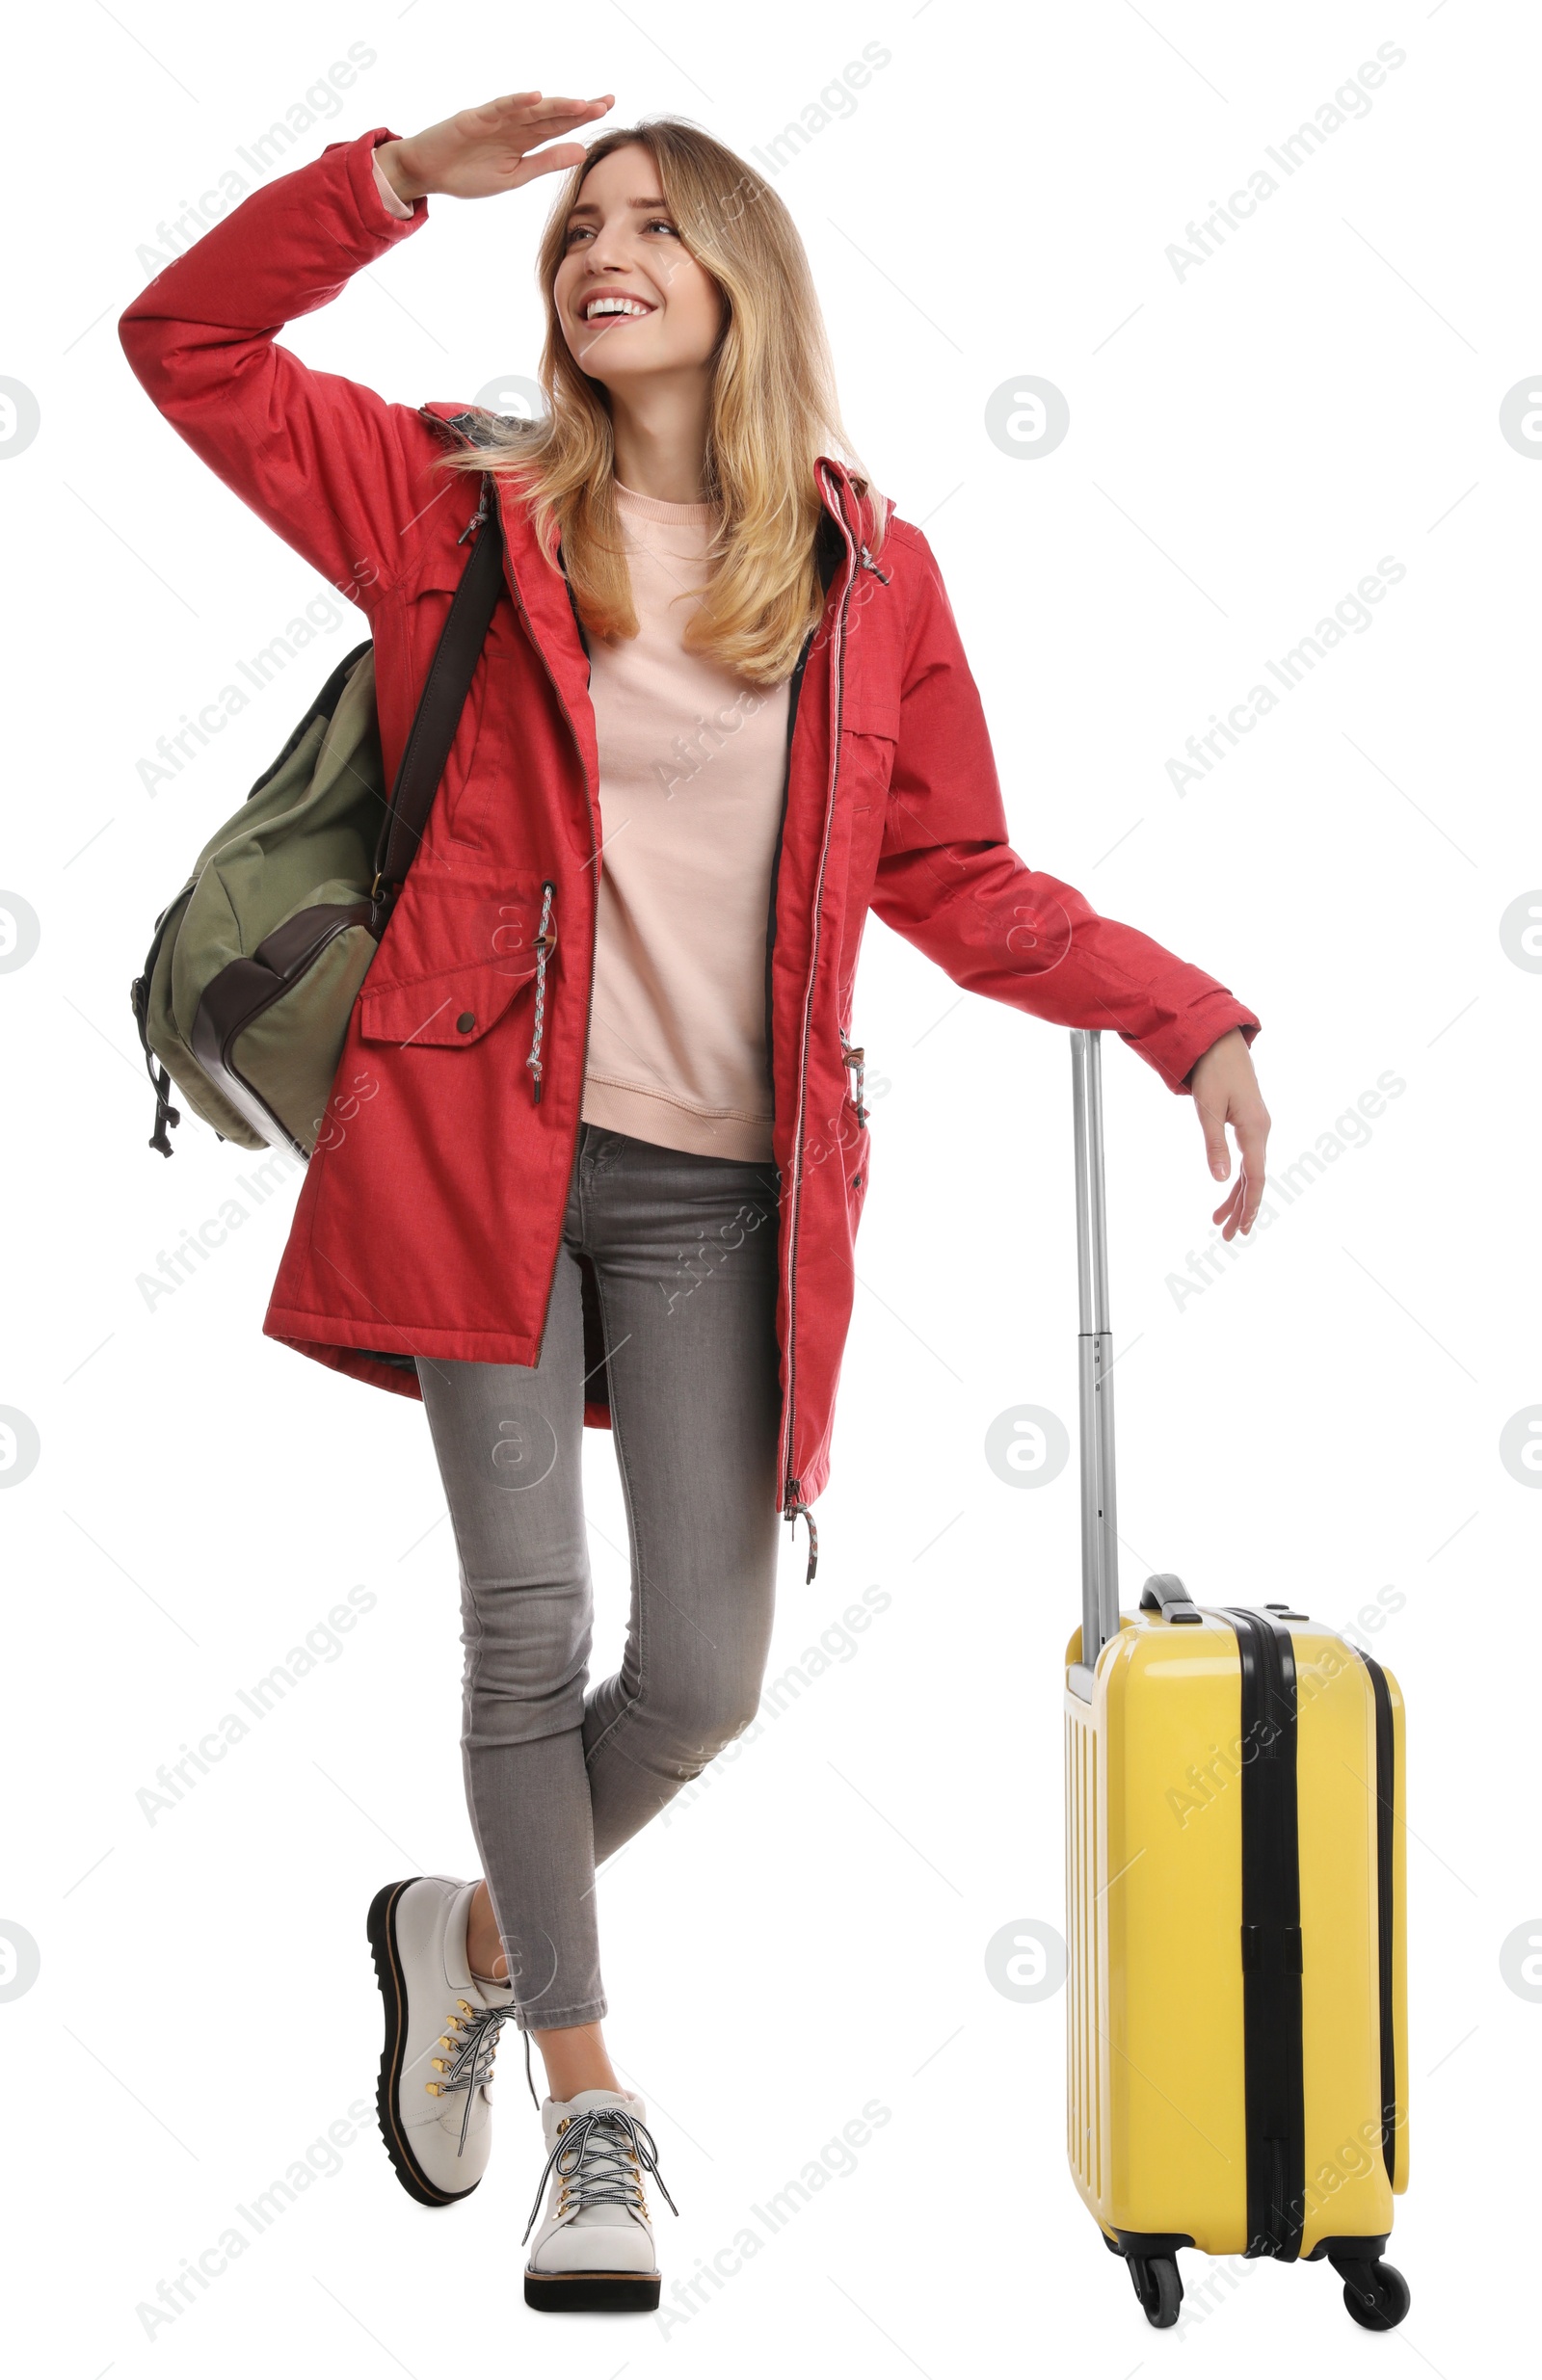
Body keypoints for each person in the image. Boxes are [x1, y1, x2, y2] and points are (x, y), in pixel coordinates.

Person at [120, 89, 1269, 2314]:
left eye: (649, 222)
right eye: (574, 232)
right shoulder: (460, 507)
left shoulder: (861, 569)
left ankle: (454, 1929)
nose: (594, 252)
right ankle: (589, 2102)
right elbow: (186, 341)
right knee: (527, 1634)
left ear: (740, 273)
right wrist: (384, 189)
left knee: (705, 1673)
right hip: (476, 1154)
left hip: (724, 1195)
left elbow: (952, 876)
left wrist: (1182, 1015)